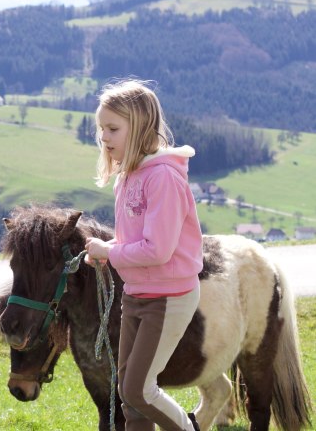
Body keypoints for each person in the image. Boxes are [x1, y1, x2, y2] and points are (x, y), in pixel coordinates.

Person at [84, 80, 202, 431]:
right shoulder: (129, 175)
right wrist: (110, 254)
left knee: (138, 390)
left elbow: (158, 249)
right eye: (101, 128)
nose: (104, 137)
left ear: (140, 126)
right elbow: (133, 238)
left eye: (113, 128)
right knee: (130, 394)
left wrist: (110, 250)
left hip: (168, 298)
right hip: (136, 295)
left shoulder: (163, 176)